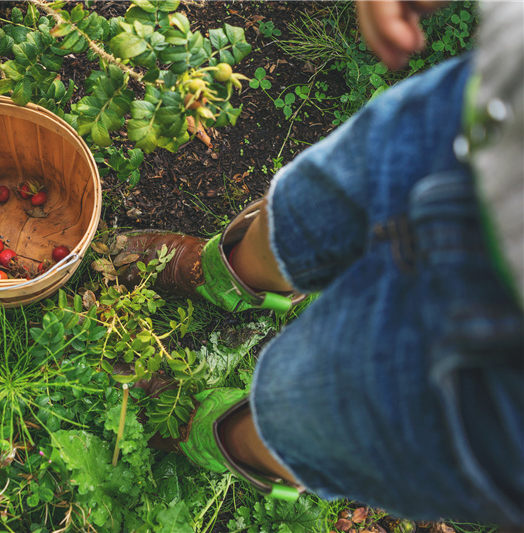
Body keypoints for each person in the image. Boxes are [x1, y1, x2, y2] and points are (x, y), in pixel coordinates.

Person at [118, 0, 523, 524]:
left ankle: (206, 431)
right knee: (314, 206)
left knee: (323, 415)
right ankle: (223, 277)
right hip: (496, 108)